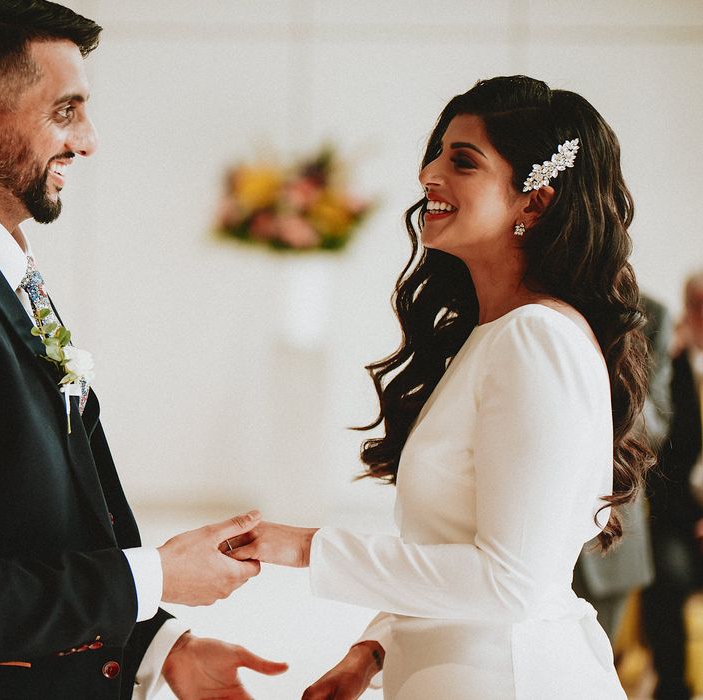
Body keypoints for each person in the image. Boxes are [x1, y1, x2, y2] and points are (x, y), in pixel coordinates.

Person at [227, 75, 653, 699]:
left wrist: (306, 547)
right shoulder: (491, 335)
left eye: (462, 161)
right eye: (436, 154)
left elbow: (512, 583)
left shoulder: (535, 337)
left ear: (532, 204)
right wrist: (373, 649)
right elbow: (455, 549)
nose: (429, 173)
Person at [0, 1, 286, 698]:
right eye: (65, 112)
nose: (88, 141)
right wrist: (154, 574)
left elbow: (33, 520)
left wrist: (158, 642)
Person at [573, 294, 673, 644]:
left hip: (612, 535)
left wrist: (610, 389)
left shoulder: (652, 312)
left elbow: (656, 427)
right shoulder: (532, 297)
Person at [642, 271, 703, 700]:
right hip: (675, 512)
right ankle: (672, 687)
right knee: (668, 575)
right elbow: (658, 447)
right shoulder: (671, 360)